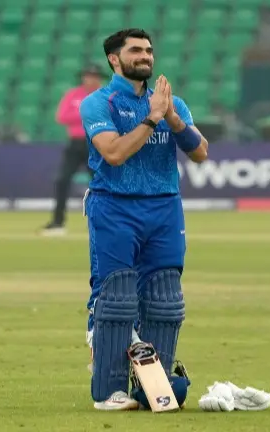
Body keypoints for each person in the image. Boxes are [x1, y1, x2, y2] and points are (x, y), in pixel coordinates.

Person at [79, 28, 209, 411]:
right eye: (136, 50)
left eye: (149, 50)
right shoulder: (98, 103)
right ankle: (109, 391)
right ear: (114, 59)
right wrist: (152, 120)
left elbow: (200, 153)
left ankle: (155, 388)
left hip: (165, 207)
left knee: (166, 300)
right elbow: (114, 154)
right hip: (114, 206)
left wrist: (172, 117)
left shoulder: (172, 103)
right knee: (118, 297)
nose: (146, 56)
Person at [40, 64, 107, 236]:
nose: (91, 79)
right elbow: (62, 117)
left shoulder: (105, 95)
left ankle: (105, 222)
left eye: (95, 76)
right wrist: (87, 113)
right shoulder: (73, 94)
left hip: (97, 143)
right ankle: (57, 221)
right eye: (88, 75)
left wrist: (81, 113)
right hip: (75, 143)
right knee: (62, 180)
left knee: (101, 184)